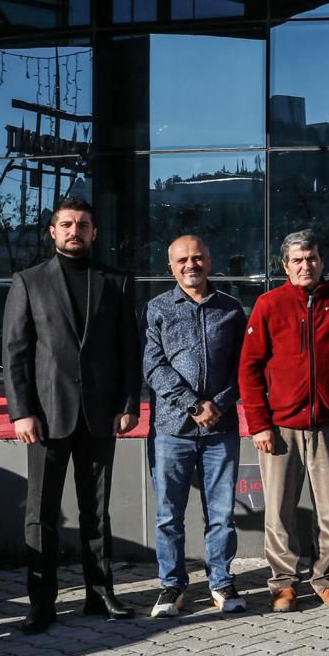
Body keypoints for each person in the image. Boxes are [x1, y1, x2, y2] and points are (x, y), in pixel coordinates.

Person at [3, 195, 141, 633]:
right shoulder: (28, 281)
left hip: (100, 415)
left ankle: (99, 594)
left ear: (94, 232)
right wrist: (22, 411)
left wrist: (128, 404)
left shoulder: (116, 282)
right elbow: (15, 353)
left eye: (83, 224)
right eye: (66, 224)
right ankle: (40, 602)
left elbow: (128, 352)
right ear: (53, 231)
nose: (74, 231)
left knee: (95, 512)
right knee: (40, 513)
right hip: (45, 417)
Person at [240, 229, 329, 612]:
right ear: (285, 265)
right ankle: (282, 583)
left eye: (311, 258)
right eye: (297, 259)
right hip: (281, 426)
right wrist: (259, 424)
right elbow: (250, 369)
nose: (305, 265)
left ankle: (326, 578)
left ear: (321, 261)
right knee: (279, 510)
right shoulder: (268, 305)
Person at [142, 235, 246, 618]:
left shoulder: (231, 309)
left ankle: (221, 581)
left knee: (221, 514)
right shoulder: (156, 309)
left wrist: (215, 405)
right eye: (182, 259)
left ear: (209, 260)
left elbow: (243, 366)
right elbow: (152, 366)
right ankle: (172, 586)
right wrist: (191, 404)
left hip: (220, 428)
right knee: (169, 515)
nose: (191, 264)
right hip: (171, 430)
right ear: (170, 266)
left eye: (198, 257)